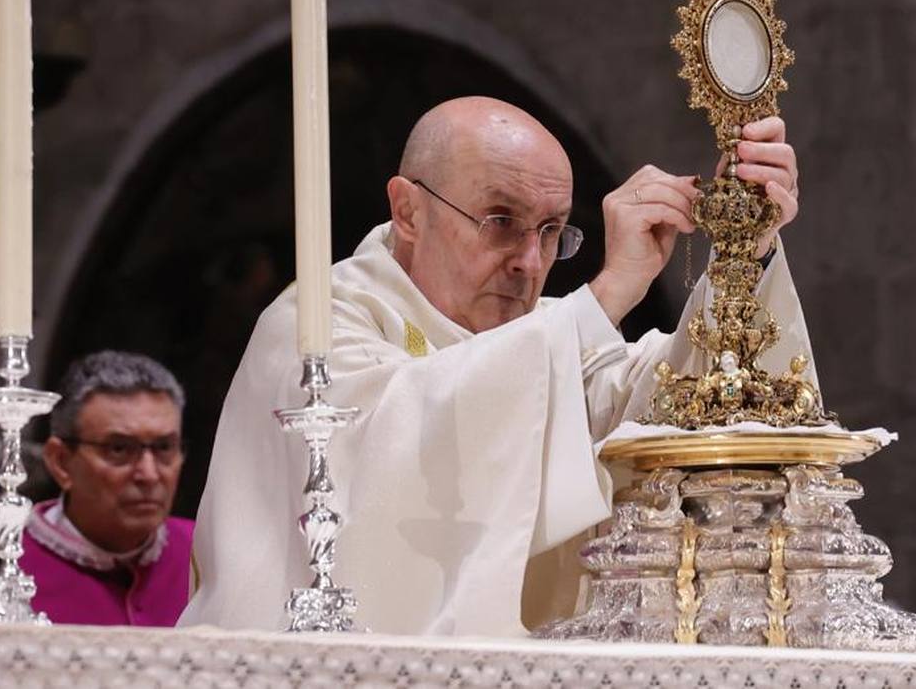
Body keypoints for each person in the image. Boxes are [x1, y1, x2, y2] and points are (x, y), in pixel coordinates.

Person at [181, 96, 813, 635]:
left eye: (551, 231)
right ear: (408, 209)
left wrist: (741, 255)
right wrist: (610, 291)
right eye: (500, 221)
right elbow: (390, 461)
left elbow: (668, 400)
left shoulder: (550, 350)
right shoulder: (316, 326)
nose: (530, 263)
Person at [0, 351, 194, 626]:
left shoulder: (211, 554)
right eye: (119, 449)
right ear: (61, 462)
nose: (148, 474)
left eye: (164, 448)